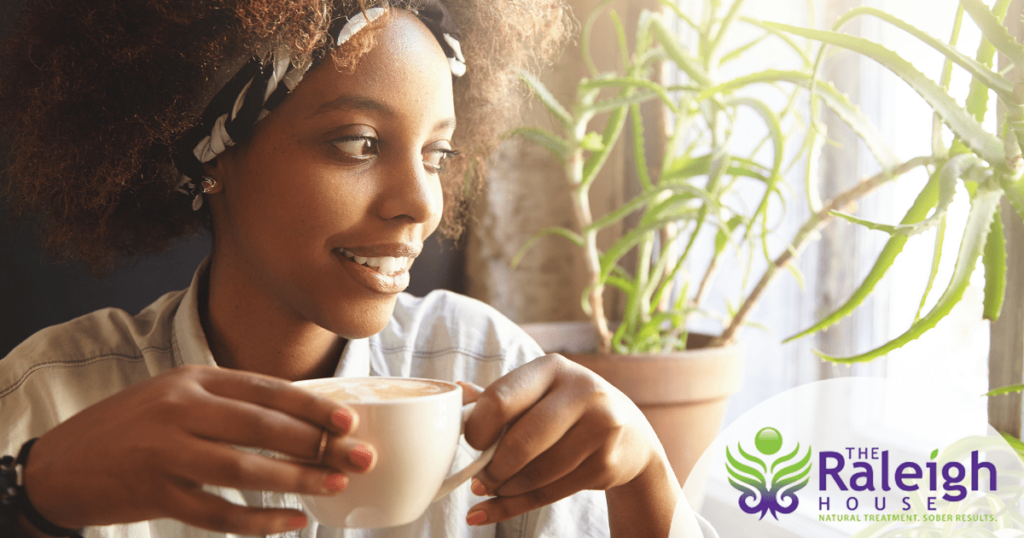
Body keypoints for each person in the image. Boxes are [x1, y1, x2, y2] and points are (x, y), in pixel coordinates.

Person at [0, 0, 716, 536]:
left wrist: (646, 477)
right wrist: (29, 494)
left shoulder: (487, 368)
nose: (420, 204)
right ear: (212, 155)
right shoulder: (50, 402)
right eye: (357, 143)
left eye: (436, 155)